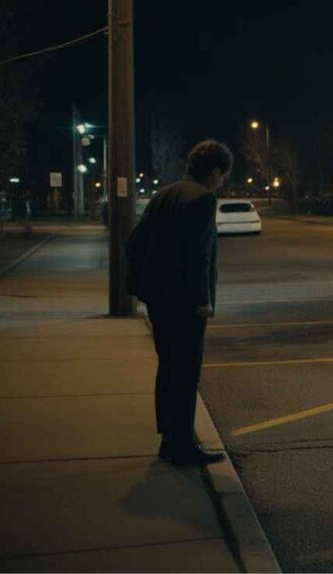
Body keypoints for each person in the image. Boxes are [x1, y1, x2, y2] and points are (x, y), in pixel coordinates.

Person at [134, 139, 231, 465]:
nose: (223, 182)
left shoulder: (164, 194)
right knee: (187, 373)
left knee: (168, 369)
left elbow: (136, 242)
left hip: (159, 301)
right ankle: (183, 445)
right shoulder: (203, 199)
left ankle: (169, 439)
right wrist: (202, 300)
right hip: (185, 304)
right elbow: (198, 256)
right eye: (223, 175)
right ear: (215, 171)